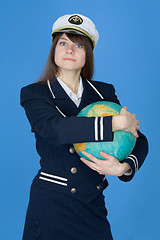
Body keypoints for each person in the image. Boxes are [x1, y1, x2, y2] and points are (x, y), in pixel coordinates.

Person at [20, 14, 148, 240]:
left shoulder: (103, 93)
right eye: (63, 43)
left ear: (87, 55)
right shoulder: (35, 93)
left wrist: (123, 167)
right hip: (52, 207)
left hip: (92, 206)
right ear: (54, 50)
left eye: (78, 45)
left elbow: (137, 139)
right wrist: (115, 122)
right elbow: (55, 129)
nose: (70, 50)